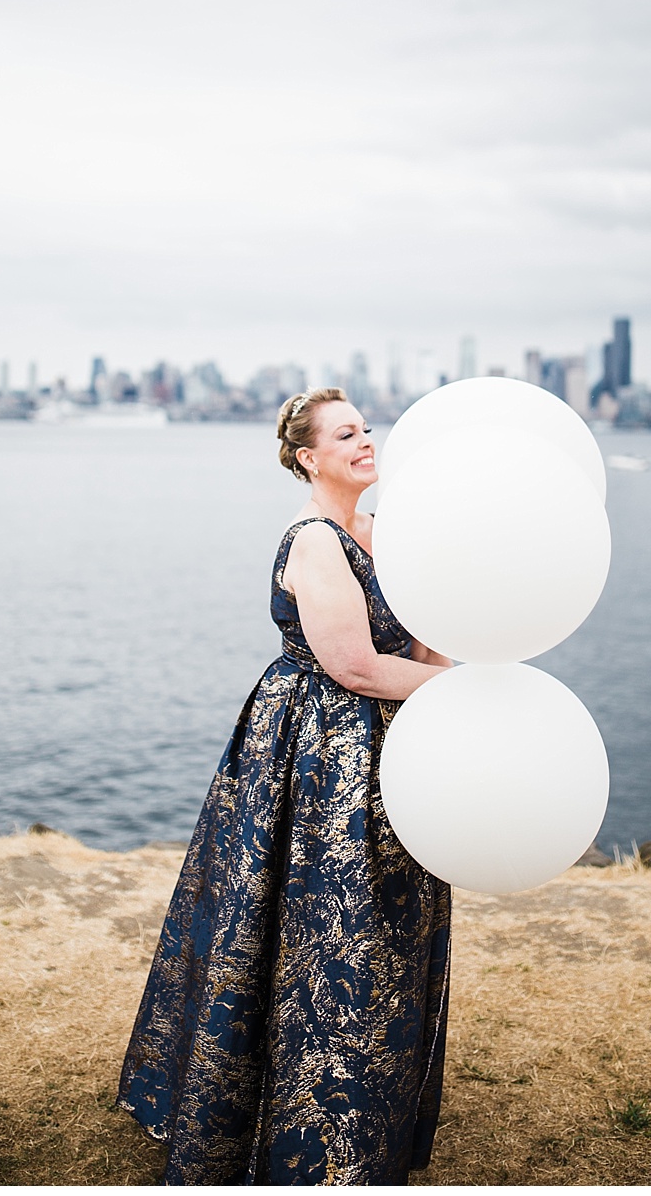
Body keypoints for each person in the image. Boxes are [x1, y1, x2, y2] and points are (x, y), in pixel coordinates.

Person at [118, 386, 453, 1186]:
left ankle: (365, 1116)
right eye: (346, 433)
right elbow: (355, 665)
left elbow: (421, 648)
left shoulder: (386, 533)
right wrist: (461, 692)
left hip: (398, 744)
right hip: (316, 753)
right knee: (311, 924)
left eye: (368, 428)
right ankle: (283, 1127)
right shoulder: (313, 541)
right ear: (307, 456)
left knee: (388, 920)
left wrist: (450, 665)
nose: (367, 441)